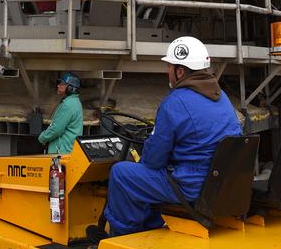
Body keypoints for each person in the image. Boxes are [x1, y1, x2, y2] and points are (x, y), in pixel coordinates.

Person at [98, 37, 241, 238]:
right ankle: (153, 224)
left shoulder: (175, 102)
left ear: (180, 71)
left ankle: (122, 237)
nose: (168, 71)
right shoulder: (222, 98)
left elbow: (153, 161)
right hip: (217, 183)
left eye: (169, 66)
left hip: (190, 186)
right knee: (155, 177)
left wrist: (151, 145)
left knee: (122, 174)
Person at [38, 71, 83, 155]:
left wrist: (42, 138)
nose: (58, 86)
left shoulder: (67, 105)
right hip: (69, 150)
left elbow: (56, 129)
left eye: (62, 84)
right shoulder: (75, 102)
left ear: (70, 88)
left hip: (61, 152)